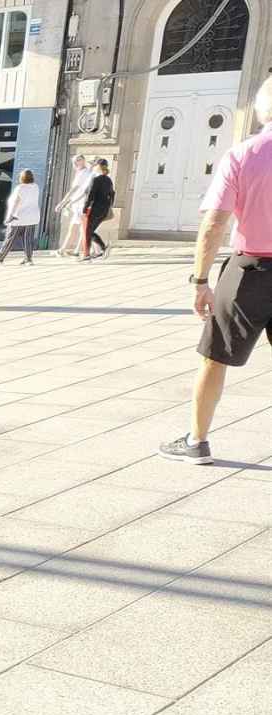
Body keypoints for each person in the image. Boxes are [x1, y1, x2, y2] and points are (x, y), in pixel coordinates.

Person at [159, 77, 272, 465]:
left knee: (216, 356)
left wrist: (201, 281)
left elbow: (214, 224)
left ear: (263, 110)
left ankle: (197, 440)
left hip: (249, 270)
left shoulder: (243, 154)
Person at [0, 170, 41, 265]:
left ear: (22, 178)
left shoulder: (20, 188)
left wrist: (11, 215)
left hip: (19, 216)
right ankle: (28, 259)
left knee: (10, 237)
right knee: (28, 238)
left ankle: (0, 257)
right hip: (32, 216)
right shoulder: (36, 187)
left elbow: (16, 202)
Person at [55, 155, 93, 257]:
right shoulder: (86, 172)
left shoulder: (83, 173)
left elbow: (74, 189)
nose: (76, 163)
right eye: (74, 161)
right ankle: (74, 249)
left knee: (76, 227)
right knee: (80, 227)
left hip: (80, 204)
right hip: (79, 203)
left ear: (84, 161)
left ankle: (64, 249)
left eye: (78, 160)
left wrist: (62, 203)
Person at [81, 158, 114, 261]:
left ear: (98, 166)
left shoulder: (96, 179)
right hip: (104, 210)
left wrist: (84, 208)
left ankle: (87, 255)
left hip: (94, 209)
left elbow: (90, 195)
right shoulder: (108, 180)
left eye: (95, 165)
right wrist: (109, 206)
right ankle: (103, 248)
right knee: (90, 231)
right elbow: (112, 195)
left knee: (87, 232)